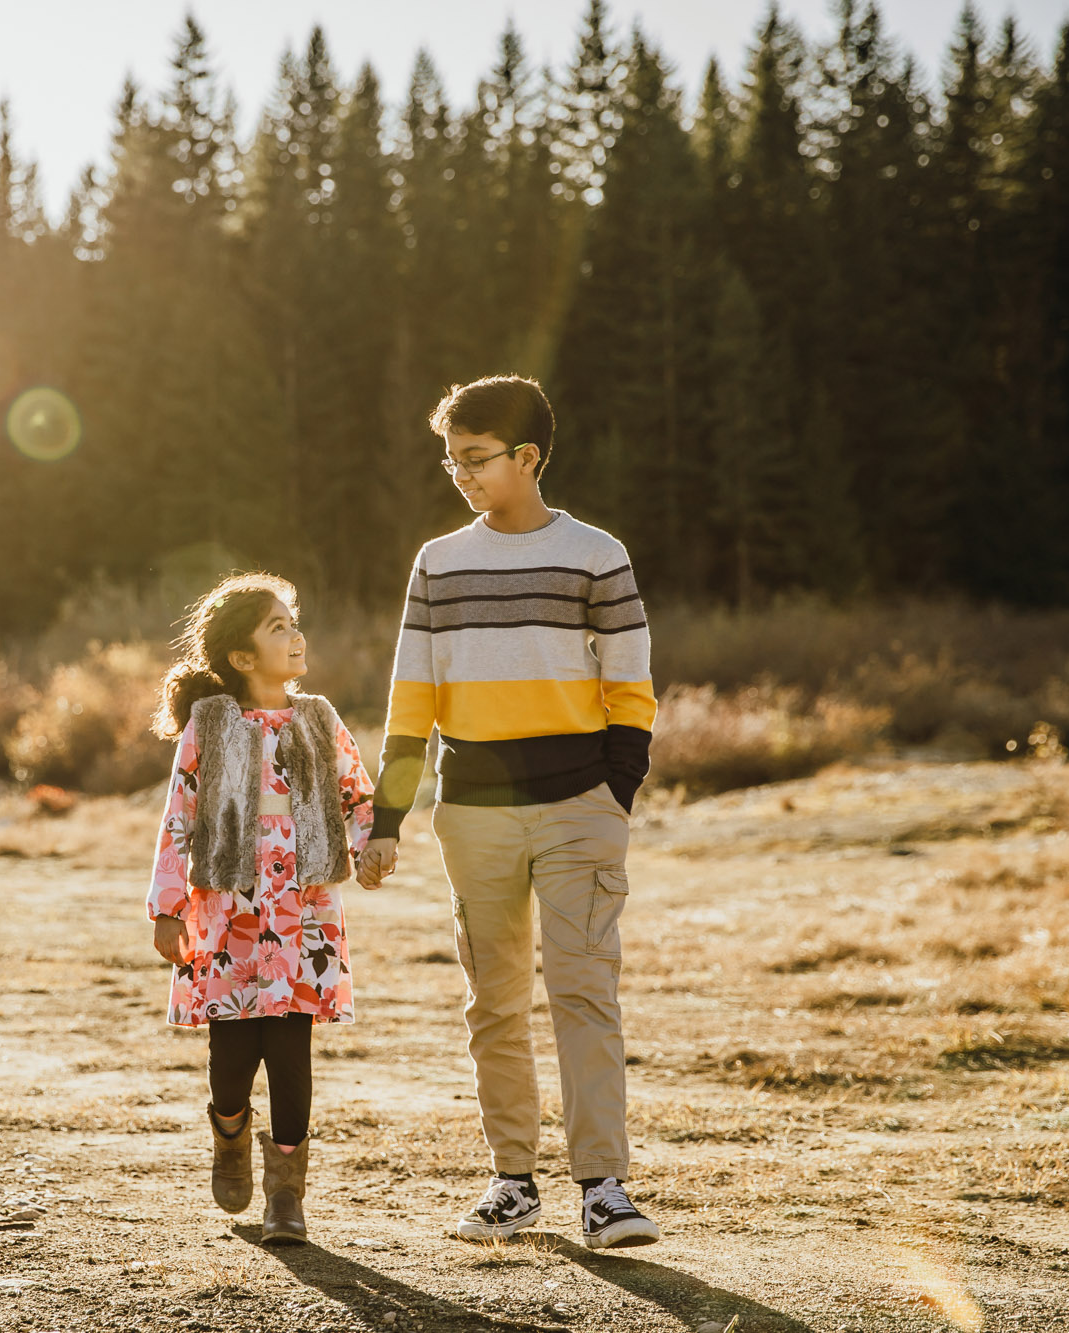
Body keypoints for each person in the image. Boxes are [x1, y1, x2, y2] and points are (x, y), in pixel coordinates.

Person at [357, 375, 660, 1249]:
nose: (460, 473)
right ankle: (512, 1181)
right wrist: (388, 817)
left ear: (527, 457)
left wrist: (616, 791)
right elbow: (410, 700)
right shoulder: (437, 562)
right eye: (451, 459)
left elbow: (631, 687)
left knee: (583, 990)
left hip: (579, 807)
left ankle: (604, 1189)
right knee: (493, 999)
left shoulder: (597, 554)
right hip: (475, 813)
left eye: (476, 458)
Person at [145, 572, 380, 1247]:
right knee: (232, 1053)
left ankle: (286, 1195)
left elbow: (357, 797)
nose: (296, 634)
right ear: (243, 657)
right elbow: (179, 817)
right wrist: (167, 908)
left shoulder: (319, 717)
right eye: (278, 626)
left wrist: (370, 846)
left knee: (291, 1047)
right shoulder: (209, 724)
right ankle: (229, 1131)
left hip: (303, 907)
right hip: (227, 911)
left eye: (294, 621)